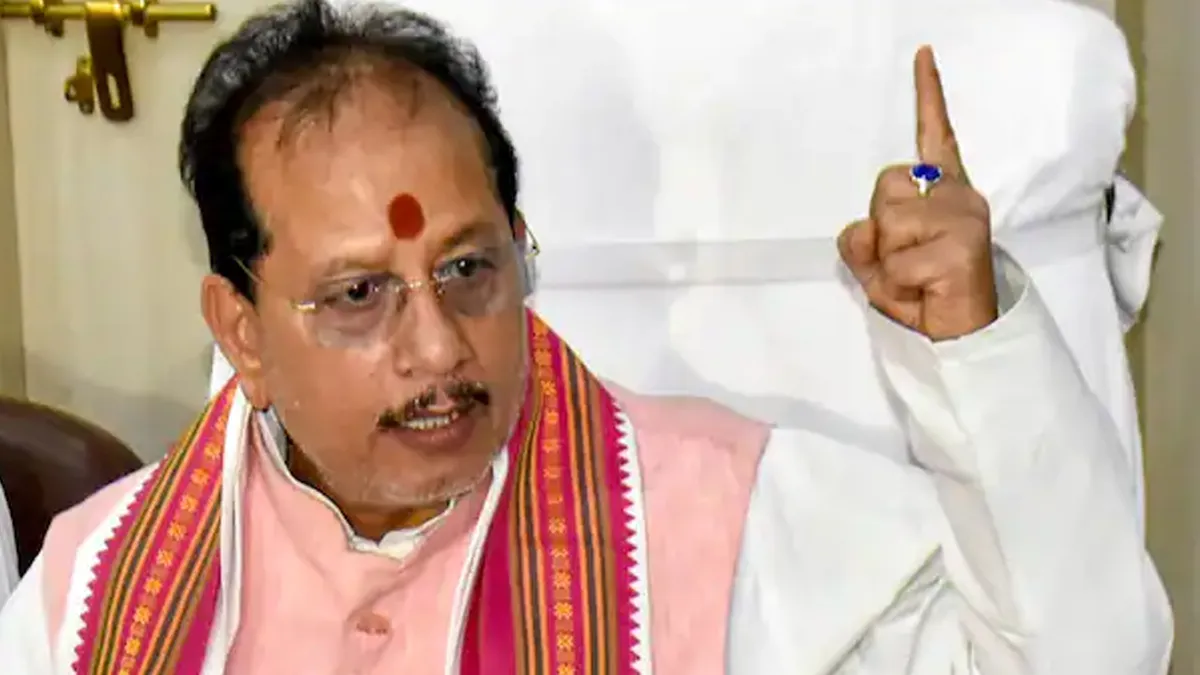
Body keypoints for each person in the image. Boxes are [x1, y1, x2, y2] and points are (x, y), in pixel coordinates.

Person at [0, 1, 1171, 672]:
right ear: (241, 332)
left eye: (468, 269)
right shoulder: (92, 597)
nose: (438, 351)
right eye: (359, 296)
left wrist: (975, 343)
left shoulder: (727, 526)